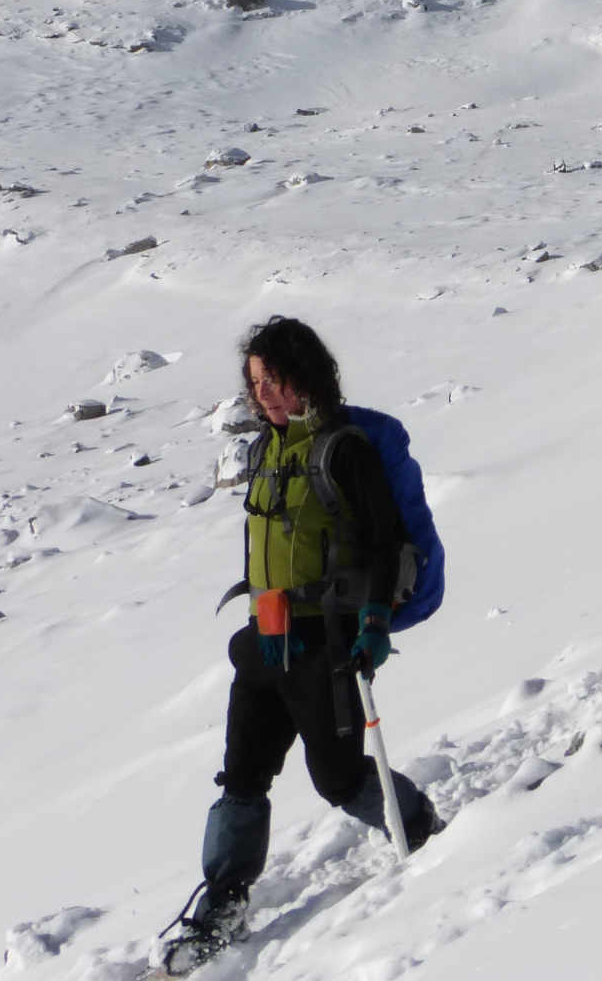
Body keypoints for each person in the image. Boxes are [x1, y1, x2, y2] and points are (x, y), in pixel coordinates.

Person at [171, 317, 438, 966]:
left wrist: (374, 624)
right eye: (255, 381)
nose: (261, 394)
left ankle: (427, 834)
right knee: (242, 777)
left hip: (326, 642)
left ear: (305, 377)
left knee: (340, 778)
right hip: (266, 642)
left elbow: (378, 544)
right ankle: (224, 899)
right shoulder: (268, 451)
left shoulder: (343, 450)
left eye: (273, 379)